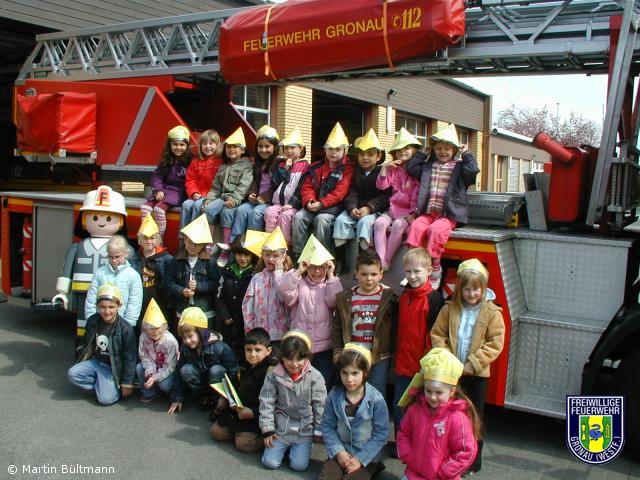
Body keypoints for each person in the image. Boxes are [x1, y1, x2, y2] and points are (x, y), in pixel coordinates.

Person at [430, 258, 505, 475]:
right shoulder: (449, 309)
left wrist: (473, 363)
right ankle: (450, 455)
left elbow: (495, 343)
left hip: (476, 375)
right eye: (466, 289)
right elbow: (437, 334)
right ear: (459, 289)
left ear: (484, 288)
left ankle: (473, 462)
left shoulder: (492, 313)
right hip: (451, 374)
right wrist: (447, 358)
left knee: (473, 418)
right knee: (448, 416)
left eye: (476, 289)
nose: (471, 294)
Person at [405, 124, 480, 290]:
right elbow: (411, 168)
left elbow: (473, 170)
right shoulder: (428, 166)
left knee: (435, 231)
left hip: (447, 215)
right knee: (415, 227)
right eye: (438, 148)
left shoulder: (459, 168)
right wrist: (422, 154)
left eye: (447, 148)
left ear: (454, 150)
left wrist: (466, 154)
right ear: (433, 150)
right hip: (428, 212)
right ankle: (415, 268)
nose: (443, 152)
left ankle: (435, 268)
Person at [396, 347, 480, 480]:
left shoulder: (457, 418)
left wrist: (444, 472)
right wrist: (407, 454)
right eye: (428, 391)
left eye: (439, 392)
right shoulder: (415, 410)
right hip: (412, 475)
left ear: (452, 391)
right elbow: (404, 433)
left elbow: (466, 451)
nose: (433, 397)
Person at [276, 234, 343, 384]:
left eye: (321, 268)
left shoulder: (330, 283)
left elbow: (334, 302)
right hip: (301, 344)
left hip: (324, 346)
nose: (317, 272)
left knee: (323, 382)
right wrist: (298, 271)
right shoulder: (299, 282)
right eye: (313, 267)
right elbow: (285, 292)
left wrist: (332, 276)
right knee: (301, 382)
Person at [259, 330, 326, 471]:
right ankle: (284, 449)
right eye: (289, 359)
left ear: (307, 357)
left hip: (304, 429)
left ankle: (300, 449)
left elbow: (320, 405)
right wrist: (268, 430)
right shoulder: (273, 375)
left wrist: (319, 430)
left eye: (299, 359)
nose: (294, 364)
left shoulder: (316, 376)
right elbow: (266, 402)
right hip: (281, 428)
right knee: (269, 462)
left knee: (298, 466)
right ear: (282, 357)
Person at [333, 249, 398, 397]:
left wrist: (394, 356)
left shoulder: (389, 298)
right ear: (356, 274)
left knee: (376, 394)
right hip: (353, 356)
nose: (369, 279)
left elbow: (395, 329)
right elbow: (337, 327)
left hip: (379, 358)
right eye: (364, 274)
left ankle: (374, 420)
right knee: (352, 392)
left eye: (374, 274)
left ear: (381, 274)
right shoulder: (347, 298)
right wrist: (337, 351)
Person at [319, 343, 389, 480]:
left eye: (355, 373)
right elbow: (327, 426)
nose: (349, 379)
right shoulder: (333, 395)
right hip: (341, 450)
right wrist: (339, 452)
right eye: (344, 373)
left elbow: (381, 434)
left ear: (366, 373)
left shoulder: (377, 400)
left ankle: (374, 466)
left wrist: (360, 459)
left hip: (366, 454)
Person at [393, 248, 444, 436]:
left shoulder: (434, 299)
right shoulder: (405, 296)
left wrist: (427, 366)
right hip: (402, 365)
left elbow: (434, 334)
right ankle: (401, 441)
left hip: (421, 368)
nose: (412, 276)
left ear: (429, 271)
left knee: (422, 408)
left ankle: (420, 442)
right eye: (408, 272)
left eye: (417, 271)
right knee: (400, 405)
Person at [210, 327, 277, 453]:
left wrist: (253, 412)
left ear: (268, 351)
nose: (252, 354)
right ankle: (238, 433)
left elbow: (274, 402)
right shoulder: (242, 365)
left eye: (258, 350)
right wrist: (224, 397)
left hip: (257, 415)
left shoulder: (271, 372)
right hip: (239, 411)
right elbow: (233, 384)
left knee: (243, 444)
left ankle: (262, 439)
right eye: (249, 350)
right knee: (216, 432)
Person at [292, 122, 354, 259]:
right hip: (314, 204)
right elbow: (307, 187)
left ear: (345, 151)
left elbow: (340, 193)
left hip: (334, 207)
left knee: (322, 220)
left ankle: (323, 258)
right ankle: (299, 255)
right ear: (325, 150)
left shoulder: (348, 168)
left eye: (338, 149)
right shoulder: (315, 166)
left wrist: (322, 203)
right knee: (299, 217)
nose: (333, 152)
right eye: (330, 149)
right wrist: (309, 201)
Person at [67, 284, 136, 405]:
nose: (107, 311)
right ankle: (102, 385)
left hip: (112, 368)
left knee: (105, 400)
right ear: (97, 306)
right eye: (102, 307)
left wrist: (127, 383)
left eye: (111, 307)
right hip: (96, 362)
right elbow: (85, 342)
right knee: (72, 374)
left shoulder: (126, 329)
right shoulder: (93, 320)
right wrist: (81, 354)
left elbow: (130, 358)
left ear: (119, 306)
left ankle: (111, 387)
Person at [333, 129, 391, 274]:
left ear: (379, 156)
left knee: (364, 224)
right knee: (340, 221)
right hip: (356, 209)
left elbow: (384, 197)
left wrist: (369, 208)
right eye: (362, 154)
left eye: (370, 154)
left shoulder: (382, 173)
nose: (365, 158)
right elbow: (351, 192)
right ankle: (341, 262)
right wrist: (352, 208)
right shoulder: (356, 172)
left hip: (374, 210)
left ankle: (362, 262)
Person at [168, 307, 239, 414]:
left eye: (190, 336)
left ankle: (220, 398)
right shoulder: (185, 348)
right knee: (185, 370)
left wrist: (229, 397)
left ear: (201, 332)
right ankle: (205, 396)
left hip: (219, 383)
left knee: (216, 370)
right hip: (202, 381)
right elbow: (178, 372)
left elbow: (233, 372)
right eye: (183, 337)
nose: (187, 341)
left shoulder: (220, 347)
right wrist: (177, 398)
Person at [203, 127, 253, 266]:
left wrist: (234, 200)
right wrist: (209, 200)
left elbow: (244, 186)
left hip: (237, 199)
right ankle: (210, 243)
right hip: (222, 197)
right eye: (229, 147)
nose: (231, 150)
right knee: (208, 210)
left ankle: (226, 248)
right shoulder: (223, 166)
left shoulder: (247, 166)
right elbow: (216, 187)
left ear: (242, 150)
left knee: (227, 213)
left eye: (235, 147)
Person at [373, 127, 421, 271]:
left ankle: (387, 260)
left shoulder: (417, 170)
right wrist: (384, 169)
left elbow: (417, 194)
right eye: (399, 149)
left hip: (407, 213)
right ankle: (380, 261)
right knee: (379, 223)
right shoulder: (394, 168)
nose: (402, 152)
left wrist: (414, 213)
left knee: (399, 226)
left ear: (414, 150)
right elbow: (382, 186)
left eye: (406, 148)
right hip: (392, 209)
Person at [167, 214, 220, 329]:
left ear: (203, 245)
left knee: (205, 338)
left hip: (205, 309)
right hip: (183, 308)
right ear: (185, 240)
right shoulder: (176, 260)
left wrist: (199, 286)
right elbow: (170, 282)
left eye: (197, 244)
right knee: (185, 338)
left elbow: (215, 283)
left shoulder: (209, 262)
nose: (193, 246)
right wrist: (181, 290)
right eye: (190, 242)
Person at [242, 227, 292, 347]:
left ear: (283, 257)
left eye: (275, 256)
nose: (270, 259)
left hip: (282, 334)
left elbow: (286, 299)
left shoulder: (289, 276)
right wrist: (250, 329)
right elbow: (247, 305)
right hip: (260, 334)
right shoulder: (257, 278)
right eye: (267, 255)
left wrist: (279, 274)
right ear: (262, 255)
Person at [230, 125, 281, 240]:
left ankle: (253, 247)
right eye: (260, 146)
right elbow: (253, 183)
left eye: (267, 146)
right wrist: (251, 194)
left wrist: (264, 197)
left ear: (275, 147)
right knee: (242, 210)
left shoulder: (279, 164)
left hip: (270, 201)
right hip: (257, 199)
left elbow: (278, 186)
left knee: (256, 213)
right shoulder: (257, 163)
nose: (263, 150)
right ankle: (235, 244)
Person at [141, 125, 191, 238]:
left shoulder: (190, 161)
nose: (178, 147)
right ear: (170, 145)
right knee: (145, 208)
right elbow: (157, 176)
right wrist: (158, 190)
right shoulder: (166, 160)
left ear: (187, 146)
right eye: (175, 144)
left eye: (182, 145)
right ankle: (145, 236)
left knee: (159, 209)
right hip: (164, 190)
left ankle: (159, 238)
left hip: (178, 193)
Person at [264, 126, 310, 247]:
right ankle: (270, 243)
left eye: (292, 147)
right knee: (270, 212)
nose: (289, 151)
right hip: (279, 202)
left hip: (293, 205)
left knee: (285, 216)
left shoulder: (305, 166)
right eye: (286, 148)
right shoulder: (281, 165)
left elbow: (302, 187)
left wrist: (293, 204)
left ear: (300, 149)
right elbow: (275, 183)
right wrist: (285, 169)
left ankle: (284, 245)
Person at [85, 235, 143, 329]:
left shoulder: (133, 275)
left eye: (117, 257)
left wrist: (129, 323)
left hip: (123, 323)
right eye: (111, 257)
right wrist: (90, 318)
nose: (114, 260)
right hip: (100, 321)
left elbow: (135, 302)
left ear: (126, 253)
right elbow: (91, 297)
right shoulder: (100, 272)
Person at [215, 233, 258, 357]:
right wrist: (225, 315)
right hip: (228, 323)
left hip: (246, 323)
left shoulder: (255, 274)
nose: (243, 258)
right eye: (239, 254)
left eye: (247, 254)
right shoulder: (227, 271)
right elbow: (219, 295)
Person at [136, 298, 179, 403]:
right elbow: (144, 356)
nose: (155, 331)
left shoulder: (170, 342)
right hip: (153, 366)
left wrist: (155, 377)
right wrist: (150, 372)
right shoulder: (143, 336)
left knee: (165, 384)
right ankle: (150, 393)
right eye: (151, 328)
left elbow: (170, 366)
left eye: (158, 327)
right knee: (139, 368)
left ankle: (170, 391)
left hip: (168, 369)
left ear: (164, 327)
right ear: (145, 329)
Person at [132, 214, 173, 323]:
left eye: (152, 238)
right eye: (145, 238)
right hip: (140, 303)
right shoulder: (134, 259)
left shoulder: (167, 259)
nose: (149, 241)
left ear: (157, 239)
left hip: (161, 302)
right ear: (140, 240)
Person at [181, 129, 222, 230]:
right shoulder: (195, 162)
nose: (208, 146)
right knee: (186, 204)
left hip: (212, 196)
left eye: (211, 143)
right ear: (200, 146)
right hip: (198, 195)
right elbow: (190, 180)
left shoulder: (220, 162)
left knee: (197, 206)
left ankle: (195, 237)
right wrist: (194, 192)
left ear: (217, 145)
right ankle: (183, 237)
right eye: (204, 143)